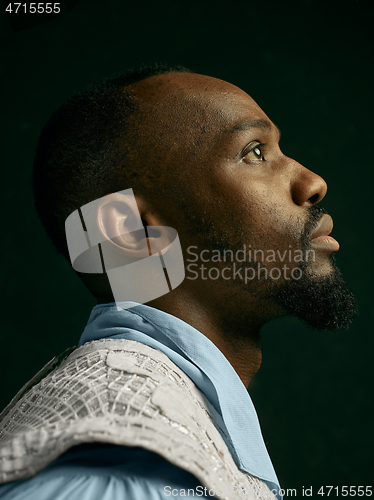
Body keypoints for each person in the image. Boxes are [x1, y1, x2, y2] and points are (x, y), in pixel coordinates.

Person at [0, 65, 357, 500]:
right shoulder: (118, 461)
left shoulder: (163, 422)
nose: (312, 183)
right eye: (253, 152)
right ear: (129, 233)